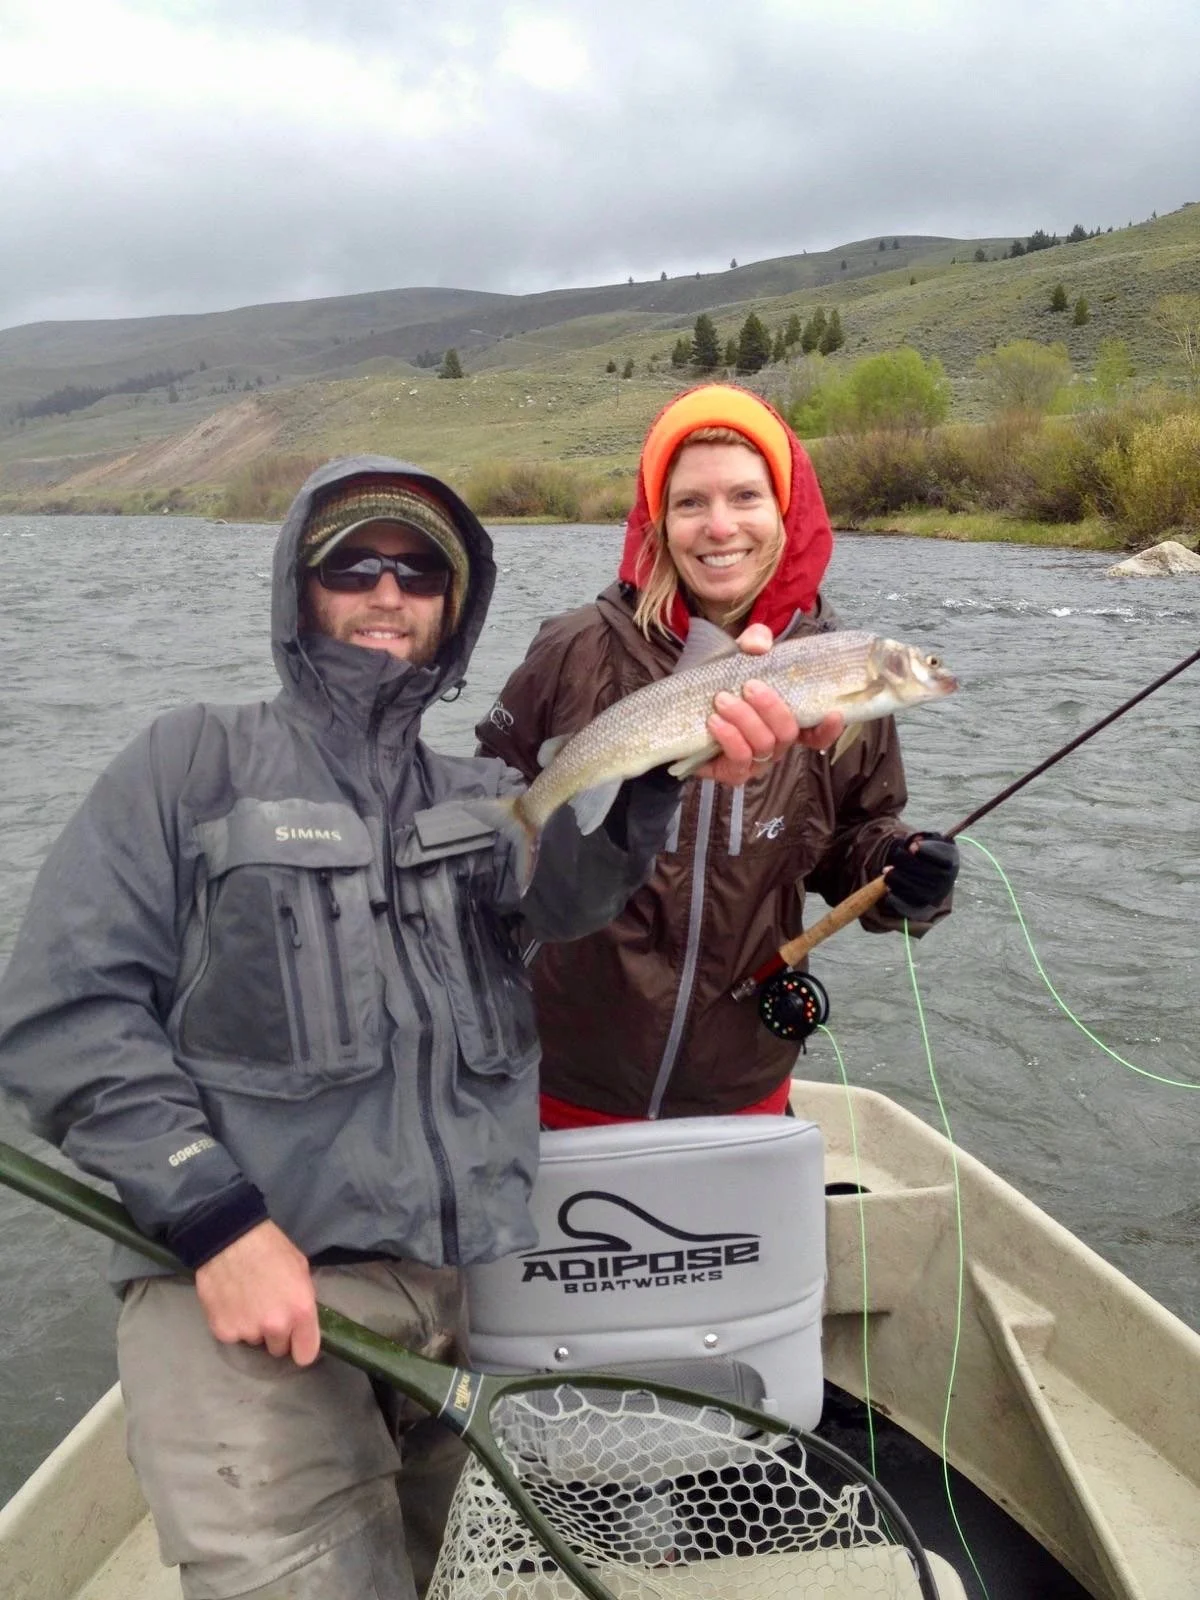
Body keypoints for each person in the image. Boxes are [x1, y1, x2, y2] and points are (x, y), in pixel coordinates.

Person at [0, 454, 807, 1600]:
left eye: (420, 570)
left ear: (453, 606)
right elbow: (61, 1013)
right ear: (300, 587)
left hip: (446, 1304)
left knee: (436, 1572)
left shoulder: (475, 794)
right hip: (244, 1298)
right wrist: (215, 1221)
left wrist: (659, 777)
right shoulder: (185, 763)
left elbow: (568, 896)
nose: (388, 591)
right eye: (355, 564)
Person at [476, 385, 959, 1128]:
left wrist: (902, 869)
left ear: (785, 512)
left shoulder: (843, 677)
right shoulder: (572, 646)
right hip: (565, 1070)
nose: (720, 526)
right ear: (658, 522)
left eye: (746, 496)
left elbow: (852, 836)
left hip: (739, 1078)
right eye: (690, 502)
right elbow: (487, 796)